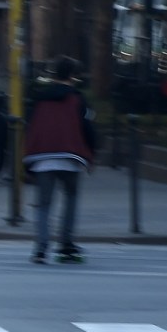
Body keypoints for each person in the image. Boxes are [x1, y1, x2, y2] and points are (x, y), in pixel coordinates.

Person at [24, 55, 97, 264]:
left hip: (42, 156)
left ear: (54, 74)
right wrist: (91, 155)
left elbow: (31, 127)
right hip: (70, 156)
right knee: (70, 197)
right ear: (73, 75)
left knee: (43, 204)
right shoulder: (78, 99)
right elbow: (87, 128)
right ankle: (66, 243)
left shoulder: (40, 98)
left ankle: (40, 248)